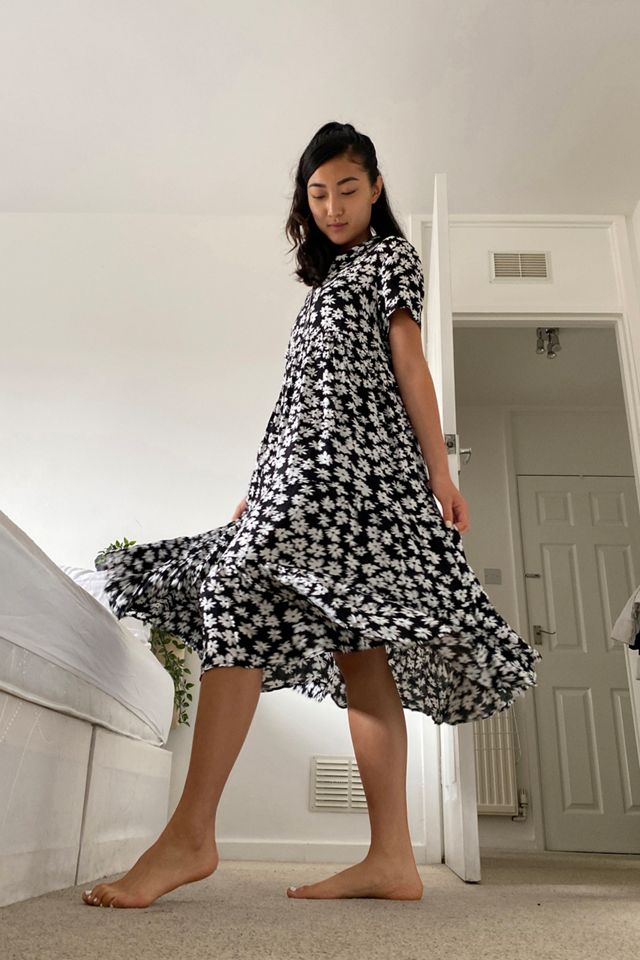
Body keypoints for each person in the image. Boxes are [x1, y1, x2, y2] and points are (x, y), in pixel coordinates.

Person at [82, 121, 541, 909]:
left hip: (353, 477)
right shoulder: (325, 285)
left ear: (377, 188)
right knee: (358, 649)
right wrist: (262, 486)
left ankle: (191, 836)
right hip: (307, 476)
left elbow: (410, 365)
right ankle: (392, 859)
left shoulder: (389, 259)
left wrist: (441, 472)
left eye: (347, 189)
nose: (332, 207)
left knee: (239, 587)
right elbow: (301, 398)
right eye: (318, 193)